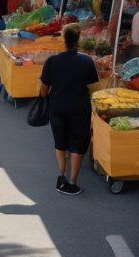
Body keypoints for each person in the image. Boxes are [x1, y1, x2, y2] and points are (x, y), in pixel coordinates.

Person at [38, 23, 100, 196]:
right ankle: (72, 182)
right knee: (77, 144)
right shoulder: (87, 60)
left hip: (57, 107)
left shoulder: (52, 61)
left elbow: (43, 90)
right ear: (78, 40)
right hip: (80, 107)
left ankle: (61, 176)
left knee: (60, 142)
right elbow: (93, 86)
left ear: (63, 40)